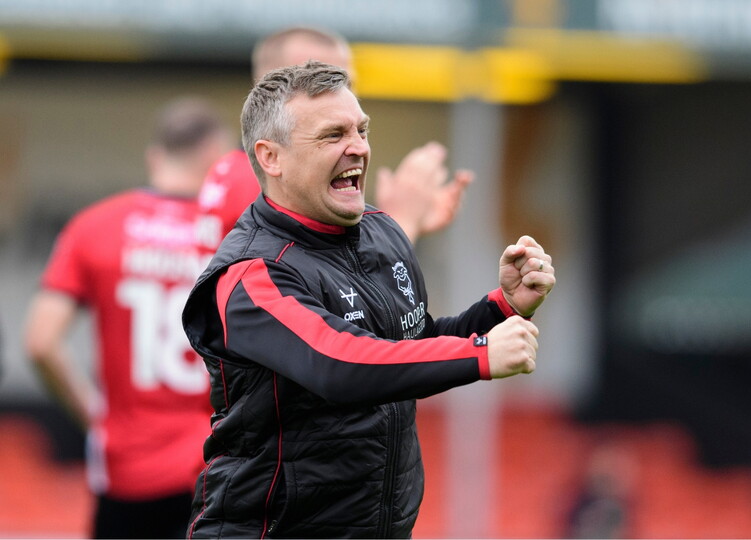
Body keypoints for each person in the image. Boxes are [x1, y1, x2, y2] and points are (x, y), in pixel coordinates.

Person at [180, 61, 556, 538]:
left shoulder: (381, 231)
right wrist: (481, 354)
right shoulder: (252, 274)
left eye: (361, 129)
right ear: (271, 157)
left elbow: (409, 348)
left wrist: (501, 308)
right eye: (333, 134)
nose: (358, 147)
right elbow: (341, 364)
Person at [23, 97, 233, 539]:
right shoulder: (236, 234)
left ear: (155, 156)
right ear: (215, 158)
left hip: (126, 468)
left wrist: (96, 419)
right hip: (214, 462)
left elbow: (40, 342)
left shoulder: (96, 225)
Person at [199, 26, 473, 243]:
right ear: (277, 86)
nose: (344, 94)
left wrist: (396, 224)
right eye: (321, 78)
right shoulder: (265, 184)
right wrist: (402, 223)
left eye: (347, 82)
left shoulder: (234, 170)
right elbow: (333, 298)